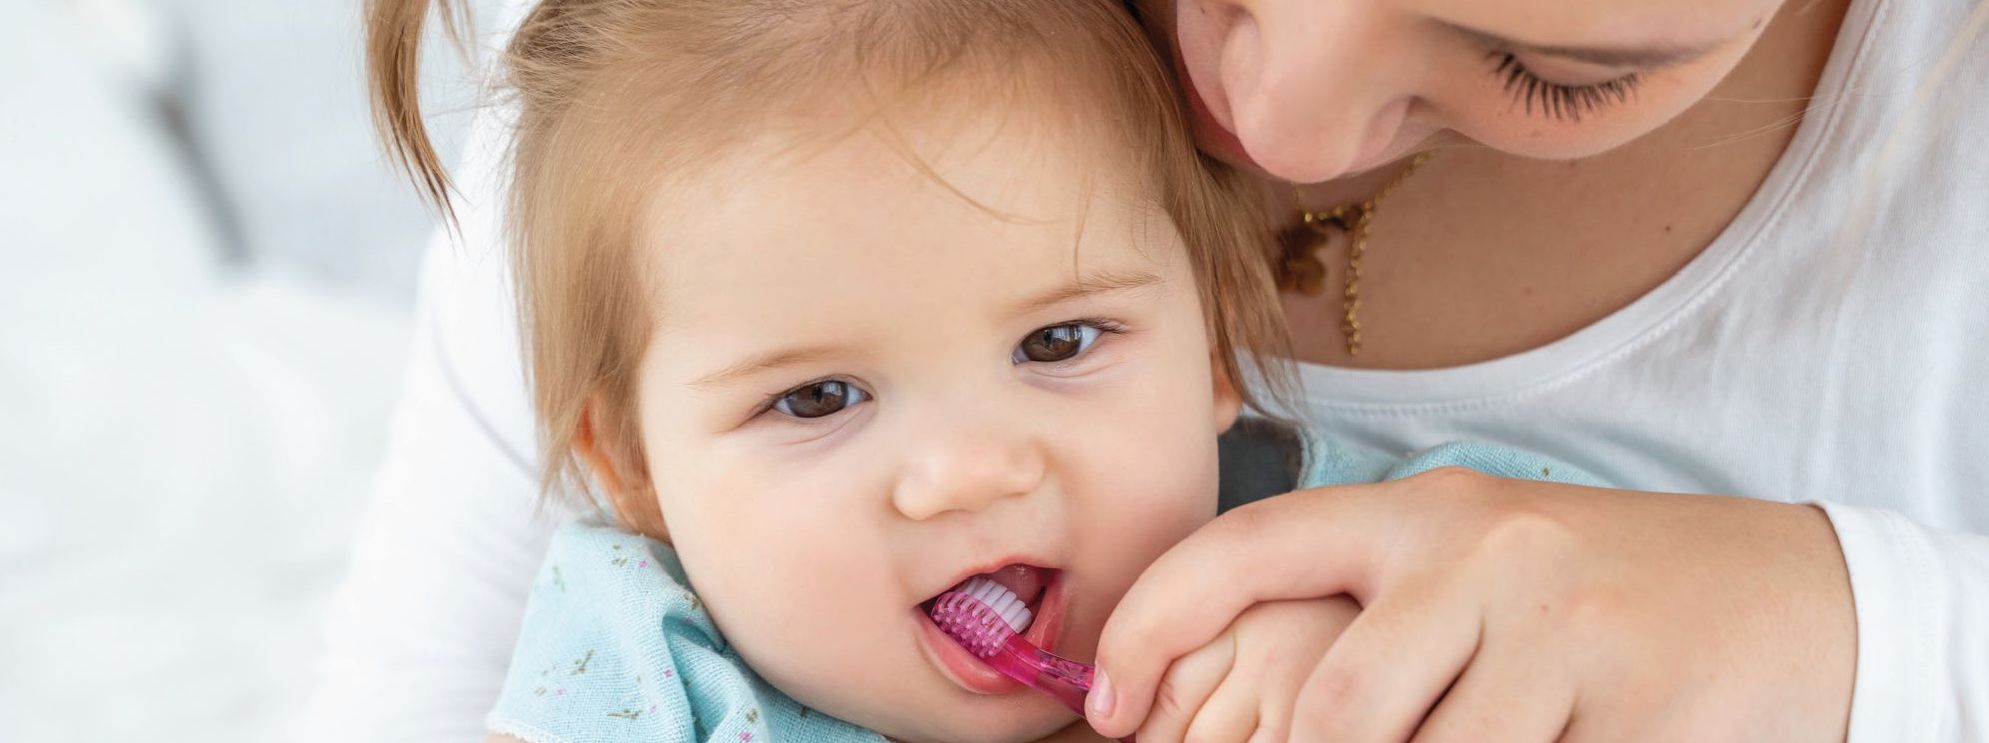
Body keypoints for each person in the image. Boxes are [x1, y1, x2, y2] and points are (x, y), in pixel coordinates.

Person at [310, 0, 1989, 741]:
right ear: (625, 466)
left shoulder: (1353, 586)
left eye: (1555, 71)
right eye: (817, 399)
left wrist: (1854, 631)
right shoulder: (642, 650)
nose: (1282, 136)